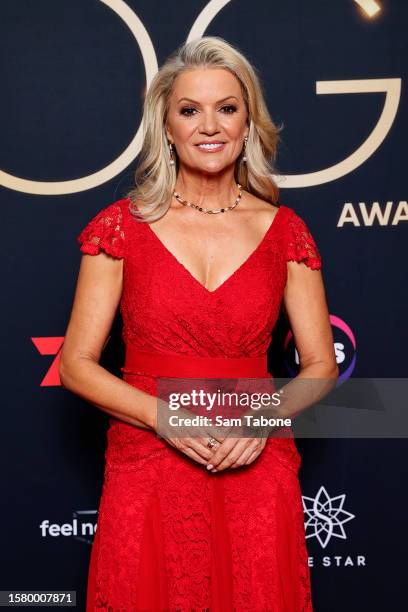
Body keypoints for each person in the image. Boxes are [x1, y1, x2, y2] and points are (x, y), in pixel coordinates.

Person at [60, 36, 338, 612]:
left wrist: (260, 421)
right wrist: (164, 418)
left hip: (254, 457)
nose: (209, 126)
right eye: (189, 110)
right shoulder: (121, 227)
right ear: (166, 125)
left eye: (227, 108)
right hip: (148, 457)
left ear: (248, 123)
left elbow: (318, 366)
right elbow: (76, 365)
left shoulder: (285, 230)